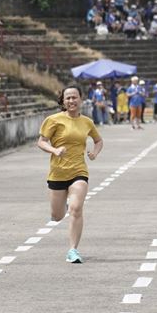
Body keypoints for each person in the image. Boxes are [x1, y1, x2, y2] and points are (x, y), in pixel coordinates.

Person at [36, 85, 103, 264]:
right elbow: (41, 142)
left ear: (81, 99)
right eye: (68, 98)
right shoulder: (53, 120)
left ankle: (73, 250)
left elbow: (98, 140)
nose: (72, 101)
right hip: (57, 173)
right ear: (63, 101)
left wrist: (94, 153)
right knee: (57, 216)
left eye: (75, 97)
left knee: (76, 209)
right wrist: (54, 150)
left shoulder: (87, 122)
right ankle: (61, 208)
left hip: (78, 171)